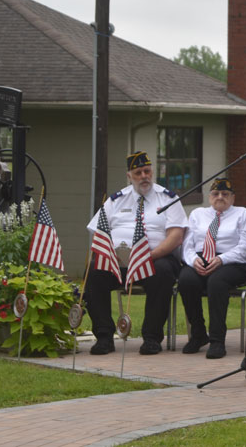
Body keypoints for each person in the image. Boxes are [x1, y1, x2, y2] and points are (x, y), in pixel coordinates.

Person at [85, 151, 187, 356]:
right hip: (119, 261)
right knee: (95, 270)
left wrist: (149, 256)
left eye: (147, 171)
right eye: (138, 172)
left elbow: (176, 235)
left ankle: (151, 338)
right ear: (129, 176)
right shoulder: (116, 200)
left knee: (164, 272)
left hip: (154, 259)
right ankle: (104, 336)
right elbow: (98, 232)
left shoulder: (168, 198)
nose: (144, 176)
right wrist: (112, 255)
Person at [178, 178, 246, 359]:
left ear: (233, 198)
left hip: (231, 262)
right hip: (201, 258)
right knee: (186, 280)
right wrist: (193, 260)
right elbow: (186, 245)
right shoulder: (197, 214)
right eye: (215, 194)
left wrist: (221, 259)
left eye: (225, 194)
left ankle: (217, 340)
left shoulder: (242, 214)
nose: (220, 197)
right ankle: (198, 334)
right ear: (209, 197)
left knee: (216, 282)